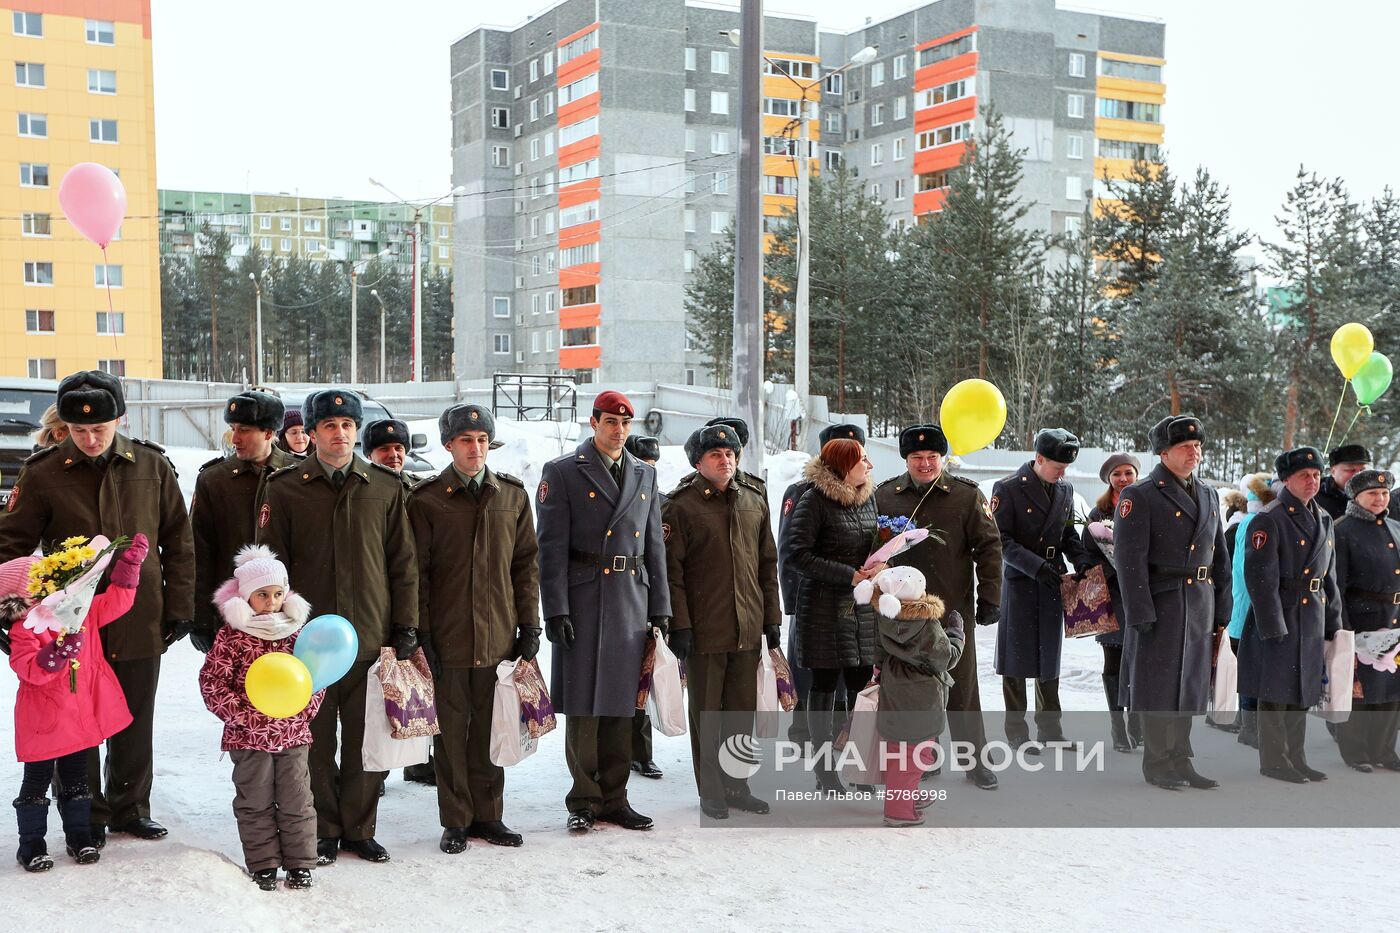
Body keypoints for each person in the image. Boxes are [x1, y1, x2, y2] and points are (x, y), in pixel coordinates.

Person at [0, 371, 194, 846]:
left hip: (138, 613)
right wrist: (8, 611)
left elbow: (179, 540)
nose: (89, 439)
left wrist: (181, 606)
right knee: (73, 718)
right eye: (78, 429)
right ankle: (84, 815)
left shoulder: (151, 464)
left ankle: (130, 807)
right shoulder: (43, 471)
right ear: (64, 426)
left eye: (100, 429)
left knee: (133, 714)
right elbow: (11, 544)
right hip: (67, 624)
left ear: (119, 419)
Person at [258, 389, 418, 864]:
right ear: (311, 433)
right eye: (330, 426)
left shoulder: (386, 487)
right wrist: (276, 629)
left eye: (348, 425)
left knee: (368, 741)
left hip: (371, 637)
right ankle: (325, 828)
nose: (341, 433)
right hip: (309, 645)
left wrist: (405, 626)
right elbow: (271, 568)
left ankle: (360, 828)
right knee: (318, 741)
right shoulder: (285, 488)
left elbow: (403, 564)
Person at [537, 390, 670, 834]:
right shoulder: (563, 472)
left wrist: (661, 607)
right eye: (610, 422)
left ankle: (616, 797)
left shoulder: (644, 474)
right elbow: (550, 548)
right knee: (584, 704)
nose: (618, 430)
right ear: (593, 423)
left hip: (630, 597)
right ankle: (584, 798)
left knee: (620, 704)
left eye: (625, 423)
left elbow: (655, 548)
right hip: (585, 597)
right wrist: (555, 609)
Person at [409, 404, 540, 852]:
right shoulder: (426, 499)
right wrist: (422, 633)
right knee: (450, 734)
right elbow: (418, 574)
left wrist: (529, 626)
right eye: (466, 440)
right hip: (447, 638)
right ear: (449, 445)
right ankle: (456, 820)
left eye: (483, 440)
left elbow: (525, 568)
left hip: (499, 636)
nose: (475, 448)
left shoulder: (512, 497)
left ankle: (490, 816)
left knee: (493, 728)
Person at [3, 535, 148, 871]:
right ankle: (31, 845)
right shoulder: (24, 630)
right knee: (36, 782)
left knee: (77, 779)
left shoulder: (80, 614)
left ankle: (79, 837)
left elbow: (116, 602)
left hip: (78, 716)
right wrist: (55, 654)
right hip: (44, 720)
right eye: (41, 587)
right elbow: (30, 669)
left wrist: (127, 570)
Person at [662, 425, 780, 820]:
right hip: (703, 631)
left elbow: (767, 564)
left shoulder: (753, 498)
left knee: (739, 714)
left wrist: (771, 618)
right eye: (715, 454)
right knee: (708, 715)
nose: (725, 459)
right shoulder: (680, 505)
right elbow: (670, 573)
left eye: (730, 453)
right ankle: (711, 790)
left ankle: (738, 785)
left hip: (746, 626)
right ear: (698, 461)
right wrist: (678, 624)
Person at [875, 424, 1002, 789]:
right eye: (917, 457)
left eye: (932, 457)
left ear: (942, 457)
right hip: (900, 616)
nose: (926, 464)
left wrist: (990, 596)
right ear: (906, 459)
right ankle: (920, 759)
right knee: (908, 690)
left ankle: (974, 760)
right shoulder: (885, 496)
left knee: (961, 687)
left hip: (952, 611)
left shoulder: (965, 496)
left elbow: (990, 548)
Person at [1113, 417, 1231, 790]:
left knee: (1190, 684)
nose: (1194, 452)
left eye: (1197, 446)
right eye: (1184, 447)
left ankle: (1182, 758)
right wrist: (1140, 612)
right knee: (1159, 686)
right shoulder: (1141, 494)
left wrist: (1222, 609)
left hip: (1199, 602)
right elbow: (1129, 561)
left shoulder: (1210, 494)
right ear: (1163, 453)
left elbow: (1220, 558)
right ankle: (1158, 761)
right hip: (1161, 603)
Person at [199, 545, 320, 891]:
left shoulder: (296, 633)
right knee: (255, 801)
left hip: (292, 734)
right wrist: (239, 715)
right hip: (248, 737)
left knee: (297, 799)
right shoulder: (233, 636)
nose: (270, 602)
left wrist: (305, 710)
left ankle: (299, 863)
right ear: (246, 597)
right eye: (262, 595)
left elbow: (314, 678)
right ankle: (263, 862)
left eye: (277, 594)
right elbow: (212, 681)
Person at [786, 437, 884, 793]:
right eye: (863, 461)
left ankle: (860, 768)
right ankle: (824, 769)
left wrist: (880, 562)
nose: (869, 467)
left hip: (860, 606)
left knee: (861, 689)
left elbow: (871, 542)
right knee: (825, 686)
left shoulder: (868, 497)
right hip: (824, 607)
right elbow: (798, 553)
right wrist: (847, 575)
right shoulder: (813, 499)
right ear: (844, 466)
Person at [1239, 446, 1341, 784]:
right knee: (1275, 692)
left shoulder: (1323, 517)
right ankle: (1274, 761)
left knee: (1302, 692)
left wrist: (1334, 624)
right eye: (1304, 476)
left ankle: (1297, 757)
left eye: (1316, 475)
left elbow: (1329, 577)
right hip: (1280, 612)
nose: (1312, 481)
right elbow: (1259, 577)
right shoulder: (1270, 518)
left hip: (1312, 615)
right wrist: (1271, 624)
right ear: (1286, 480)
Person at [990, 428, 1089, 751]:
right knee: (1016, 658)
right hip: (1022, 581)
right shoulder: (1007, 489)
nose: (1062, 473)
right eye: (1057, 466)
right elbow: (1001, 541)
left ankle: (1049, 728)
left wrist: (1082, 561)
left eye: (1066, 468)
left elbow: (1067, 535)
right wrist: (1035, 566)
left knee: (1050, 658)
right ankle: (1016, 730)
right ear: (1039, 458)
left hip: (1052, 582)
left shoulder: (1065, 489)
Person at [777, 423, 866, 742]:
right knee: (810, 668)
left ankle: (842, 730)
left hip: (853, 599)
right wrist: (794, 604)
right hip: (812, 598)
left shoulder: (864, 492)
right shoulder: (802, 494)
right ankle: (803, 729)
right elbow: (789, 552)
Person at [362, 417, 433, 787]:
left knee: (416, 683)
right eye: (384, 449)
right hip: (376, 602)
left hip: (418, 599)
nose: (393, 455)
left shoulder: (420, 489)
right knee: (373, 692)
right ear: (368, 453)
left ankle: (418, 758)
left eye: (399, 449)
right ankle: (372, 767)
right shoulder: (366, 489)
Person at [191, 391, 291, 654]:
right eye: (233, 429)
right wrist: (199, 616)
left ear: (269, 433)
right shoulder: (214, 480)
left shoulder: (297, 476)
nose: (234, 438)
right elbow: (199, 553)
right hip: (233, 620)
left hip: (289, 619)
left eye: (244, 430)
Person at [872, 577, 965, 827]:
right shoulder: (926, 623)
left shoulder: (885, 616)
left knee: (897, 748)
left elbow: (879, 651)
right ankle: (898, 812)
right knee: (916, 754)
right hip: (921, 696)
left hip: (894, 688)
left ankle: (907, 794)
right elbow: (945, 658)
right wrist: (956, 634)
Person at [1331, 469, 1400, 772]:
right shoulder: (1342, 530)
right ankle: (1356, 751)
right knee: (1360, 689)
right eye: (1373, 493)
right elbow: (1336, 584)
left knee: (1391, 689)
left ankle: (1384, 750)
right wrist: (1343, 627)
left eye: (1384, 493)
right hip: (1361, 620)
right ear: (1356, 496)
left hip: (1395, 619)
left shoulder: (1396, 527)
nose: (1380, 498)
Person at [1080, 452, 1141, 753]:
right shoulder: (1098, 514)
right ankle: (1119, 729)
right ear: (1108, 479)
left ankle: (1137, 725)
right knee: (1114, 663)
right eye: (1117, 474)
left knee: (1142, 661)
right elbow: (1087, 555)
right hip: (1113, 596)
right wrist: (1112, 566)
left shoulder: (1147, 505)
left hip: (1143, 596)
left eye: (1128, 472)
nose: (1124, 479)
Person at [622, 433, 664, 780]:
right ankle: (630, 753)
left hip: (650, 601)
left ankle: (643, 752)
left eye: (654, 465)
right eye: (644, 464)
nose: (649, 470)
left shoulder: (659, 500)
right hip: (628, 599)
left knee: (646, 683)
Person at [1226, 473, 1276, 748]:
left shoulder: (1246, 522)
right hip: (1249, 609)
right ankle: (1249, 727)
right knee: (1253, 668)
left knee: (1252, 667)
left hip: (1244, 607)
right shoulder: (1255, 524)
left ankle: (1248, 724)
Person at [1315, 444, 1400, 520]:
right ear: (1333, 471)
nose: (1358, 474)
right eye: (1351, 470)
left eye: (1362, 470)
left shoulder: (1382, 499)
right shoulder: (1314, 498)